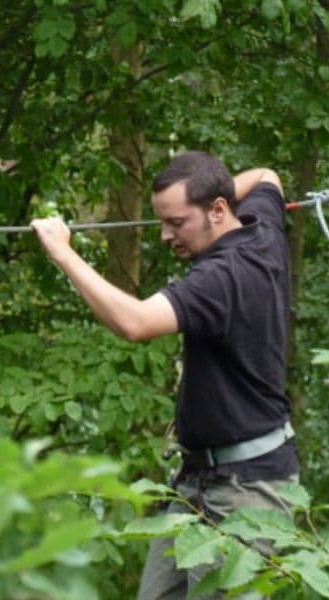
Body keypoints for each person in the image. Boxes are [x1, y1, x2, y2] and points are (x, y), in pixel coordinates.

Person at [30, 151, 299, 599]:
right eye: (162, 221)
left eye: (176, 222)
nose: (164, 234)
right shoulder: (260, 227)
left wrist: (63, 253)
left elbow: (135, 323)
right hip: (195, 484)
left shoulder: (222, 278)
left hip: (247, 492)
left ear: (217, 212)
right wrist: (207, 191)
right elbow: (268, 175)